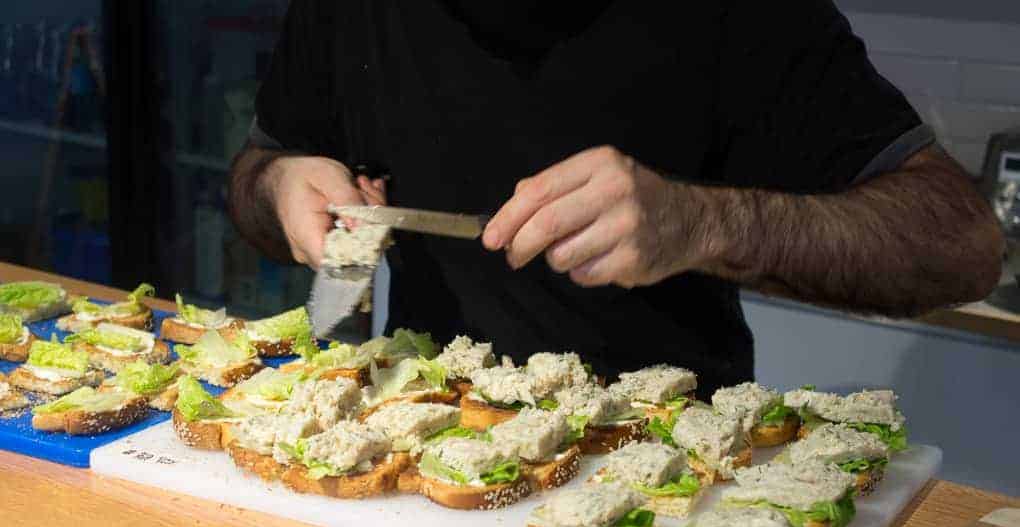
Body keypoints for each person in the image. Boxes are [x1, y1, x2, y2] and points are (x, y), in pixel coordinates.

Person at [228, 1, 1003, 396]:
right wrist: (279, 186)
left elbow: (961, 246)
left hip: (664, 459)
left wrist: (704, 223)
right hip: (420, 428)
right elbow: (257, 174)